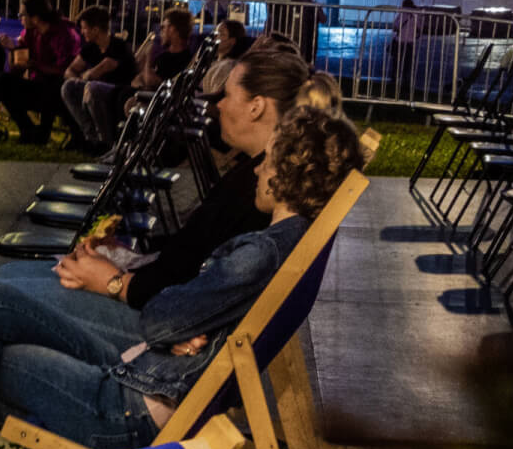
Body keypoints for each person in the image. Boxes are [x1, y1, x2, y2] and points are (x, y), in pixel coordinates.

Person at [0, 105, 365, 449]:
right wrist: (186, 323)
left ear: (285, 173)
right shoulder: (289, 242)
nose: (261, 168)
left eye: (270, 160)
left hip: (129, 413)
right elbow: (172, 322)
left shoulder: (259, 254)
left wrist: (178, 323)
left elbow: (159, 321)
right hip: (144, 375)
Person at [51, 43, 322, 307]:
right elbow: (193, 253)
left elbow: (190, 284)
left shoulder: (259, 188)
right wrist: (124, 256)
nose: (219, 106)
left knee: (10, 290)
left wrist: (112, 280)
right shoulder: (266, 176)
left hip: (146, 311)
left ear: (256, 106)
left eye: (225, 95)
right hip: (147, 291)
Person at [0, 0, 82, 143]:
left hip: (62, 91)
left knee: (54, 83)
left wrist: (37, 65)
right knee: (2, 81)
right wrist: (12, 50)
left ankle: (45, 133)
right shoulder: (30, 32)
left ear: (35, 17)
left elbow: (67, 71)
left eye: (22, 15)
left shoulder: (64, 33)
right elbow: (17, 69)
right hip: (39, 86)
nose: (20, 19)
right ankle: (28, 129)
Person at [60, 5, 137, 151]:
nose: (82, 32)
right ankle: (91, 136)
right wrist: (78, 79)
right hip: (93, 88)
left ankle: (106, 141)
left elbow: (105, 66)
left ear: (95, 30)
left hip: (118, 90)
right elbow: (70, 70)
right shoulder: (90, 48)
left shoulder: (118, 46)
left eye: (84, 28)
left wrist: (88, 75)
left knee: (93, 87)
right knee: (68, 87)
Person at [201, 18, 252, 96]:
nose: (215, 37)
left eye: (221, 34)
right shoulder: (213, 61)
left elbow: (214, 96)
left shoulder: (226, 67)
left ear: (232, 41)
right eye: (216, 33)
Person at [394, 0, 422, 97]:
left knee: (397, 64)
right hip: (410, 43)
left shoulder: (401, 14)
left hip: (400, 42)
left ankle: (394, 84)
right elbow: (419, 29)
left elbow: (395, 26)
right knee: (408, 66)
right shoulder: (415, 16)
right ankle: (406, 87)